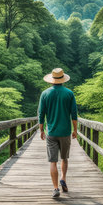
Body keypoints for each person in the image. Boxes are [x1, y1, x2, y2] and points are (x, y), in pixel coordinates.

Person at [38, 68, 78, 198]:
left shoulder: (45, 94)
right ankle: (63, 179)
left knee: (53, 161)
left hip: (51, 132)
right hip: (65, 132)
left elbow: (41, 113)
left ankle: (55, 188)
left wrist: (41, 130)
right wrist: (75, 130)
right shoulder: (69, 93)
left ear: (52, 80)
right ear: (62, 79)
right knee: (64, 158)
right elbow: (74, 114)